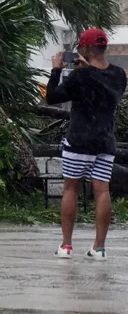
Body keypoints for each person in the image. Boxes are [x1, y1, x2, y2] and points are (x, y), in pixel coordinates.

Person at [46, 27, 126, 260]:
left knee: (71, 188)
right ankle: (99, 248)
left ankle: (67, 245)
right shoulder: (119, 75)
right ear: (104, 48)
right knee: (102, 191)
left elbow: (52, 96)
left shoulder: (80, 76)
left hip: (79, 141)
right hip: (105, 142)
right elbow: (99, 84)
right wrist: (87, 69)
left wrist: (57, 69)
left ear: (86, 48)